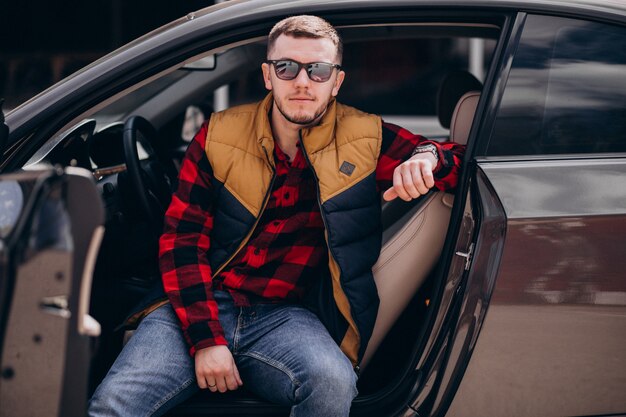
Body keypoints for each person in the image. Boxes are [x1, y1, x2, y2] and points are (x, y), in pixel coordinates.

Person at [88, 15, 465, 417]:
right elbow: (183, 242)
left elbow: (460, 161)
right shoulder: (218, 135)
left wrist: (427, 158)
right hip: (201, 303)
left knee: (332, 383)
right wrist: (205, 339)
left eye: (318, 70)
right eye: (287, 68)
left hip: (287, 316)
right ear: (268, 76)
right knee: (112, 406)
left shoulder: (365, 137)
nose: (302, 82)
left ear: (336, 82)